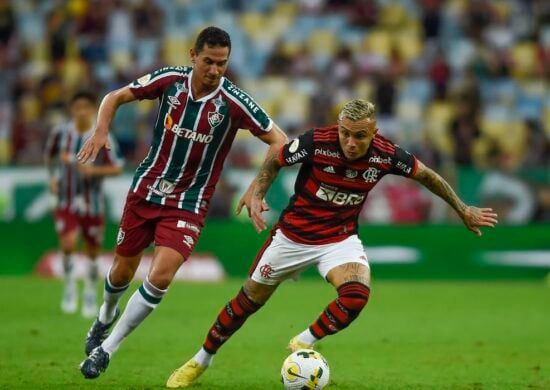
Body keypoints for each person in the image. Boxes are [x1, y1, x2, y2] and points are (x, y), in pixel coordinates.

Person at [166, 99, 498, 388]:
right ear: (337, 128)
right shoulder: (317, 142)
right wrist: (258, 193)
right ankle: (201, 360)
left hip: (339, 239)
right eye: (345, 133)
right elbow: (275, 160)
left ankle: (304, 341)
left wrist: (463, 209)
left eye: (359, 136)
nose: (350, 142)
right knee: (248, 302)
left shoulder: (387, 155)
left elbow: (428, 176)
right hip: (292, 236)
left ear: (374, 131)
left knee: (357, 296)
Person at [77, 26, 287, 379]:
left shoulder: (234, 102)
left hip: (188, 203)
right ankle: (105, 315)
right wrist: (100, 131)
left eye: (222, 63)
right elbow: (114, 96)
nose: (215, 70)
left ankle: (107, 349)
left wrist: (257, 187)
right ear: (193, 55)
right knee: (121, 271)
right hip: (146, 191)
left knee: (159, 276)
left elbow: (279, 140)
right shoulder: (169, 80)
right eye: (208, 61)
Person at [44, 91, 123, 318]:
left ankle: (89, 291)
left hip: (93, 203)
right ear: (72, 110)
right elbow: (49, 156)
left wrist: (94, 171)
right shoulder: (61, 134)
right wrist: (52, 177)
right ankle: (69, 286)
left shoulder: (103, 135)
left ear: (92, 109)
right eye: (77, 107)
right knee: (68, 244)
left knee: (92, 252)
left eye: (85, 107)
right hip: (66, 200)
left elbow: (117, 167)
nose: (81, 112)